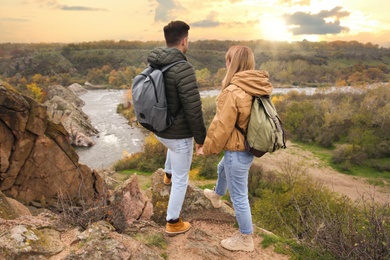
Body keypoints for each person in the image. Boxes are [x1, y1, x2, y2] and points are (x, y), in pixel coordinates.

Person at [197, 45, 273, 252]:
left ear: (231, 63)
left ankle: (245, 239)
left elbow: (221, 126)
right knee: (223, 167)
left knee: (239, 196)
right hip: (249, 148)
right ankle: (216, 195)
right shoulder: (258, 85)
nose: (225, 63)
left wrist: (207, 148)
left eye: (227, 60)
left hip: (237, 150)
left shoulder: (233, 91)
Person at [146, 20, 206, 235]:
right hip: (177, 134)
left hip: (159, 129)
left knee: (172, 149)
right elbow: (193, 108)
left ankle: (167, 174)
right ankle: (173, 222)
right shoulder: (183, 68)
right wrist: (201, 138)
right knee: (183, 179)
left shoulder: (155, 63)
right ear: (184, 40)